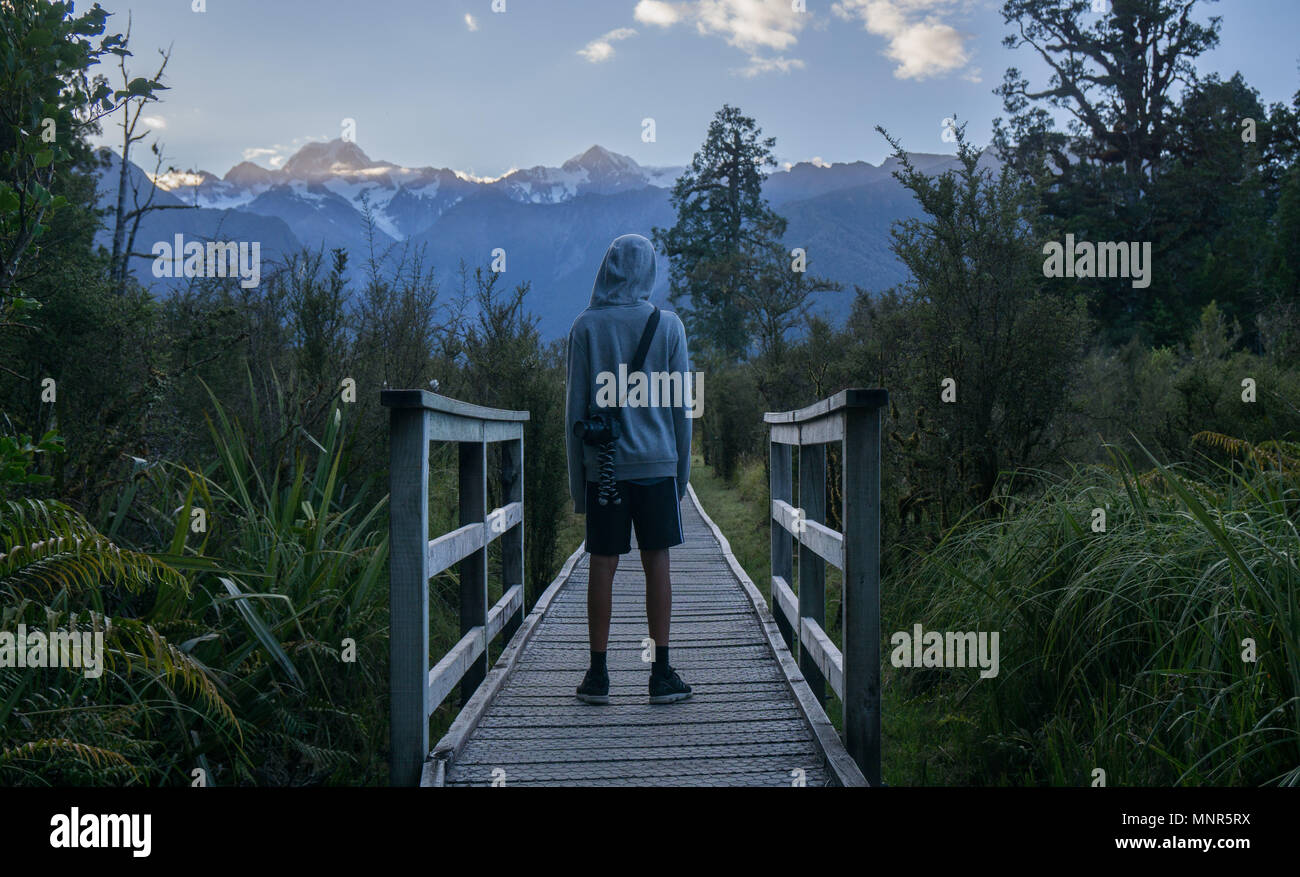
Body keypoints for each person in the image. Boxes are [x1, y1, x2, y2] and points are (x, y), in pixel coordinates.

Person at [565, 233, 693, 705]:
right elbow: (683, 409)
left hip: (605, 470)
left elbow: (574, 413)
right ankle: (660, 674)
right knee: (656, 561)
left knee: (603, 563)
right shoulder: (668, 326)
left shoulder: (585, 327)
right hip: (658, 466)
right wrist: (679, 477)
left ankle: (597, 676)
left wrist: (580, 486)